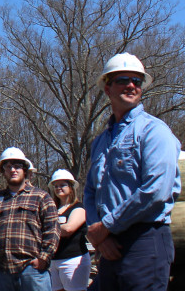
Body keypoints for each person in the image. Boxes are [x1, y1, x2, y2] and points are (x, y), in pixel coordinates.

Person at [84, 53, 181, 291]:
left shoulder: (155, 131)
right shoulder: (100, 142)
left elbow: (156, 190)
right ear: (107, 88)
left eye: (137, 81)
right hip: (110, 245)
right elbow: (89, 192)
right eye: (123, 80)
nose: (131, 85)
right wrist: (101, 236)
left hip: (146, 241)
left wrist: (105, 227)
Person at [0, 147, 59, 291]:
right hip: (1, 271)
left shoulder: (41, 197)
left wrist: (43, 258)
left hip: (32, 270)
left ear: (25, 170)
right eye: (8, 166)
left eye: (17, 166)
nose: (13, 170)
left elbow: (53, 230)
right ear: (3, 171)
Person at [47, 170, 89, 291]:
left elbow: (69, 229)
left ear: (71, 187)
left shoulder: (79, 207)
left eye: (62, 185)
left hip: (73, 260)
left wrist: (47, 229)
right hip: (53, 260)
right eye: (56, 186)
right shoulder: (52, 209)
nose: (58, 188)